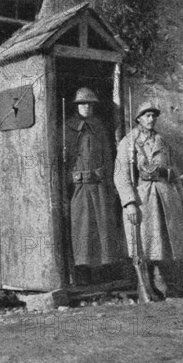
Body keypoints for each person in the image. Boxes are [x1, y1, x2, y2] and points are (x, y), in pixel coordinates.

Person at [114, 101, 183, 299]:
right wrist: (129, 203)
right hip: (142, 198)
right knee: (144, 242)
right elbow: (121, 176)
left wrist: (179, 195)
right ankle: (147, 284)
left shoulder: (162, 141)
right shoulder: (128, 143)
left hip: (164, 196)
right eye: (147, 115)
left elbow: (175, 169)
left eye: (154, 115)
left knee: (164, 241)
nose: (151, 119)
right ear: (138, 119)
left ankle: (161, 277)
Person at [63, 87, 123, 285]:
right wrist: (67, 183)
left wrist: (107, 181)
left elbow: (108, 156)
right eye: (82, 104)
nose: (86, 107)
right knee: (81, 231)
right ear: (76, 106)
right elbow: (60, 161)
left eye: (89, 103)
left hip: (98, 187)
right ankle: (82, 273)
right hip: (78, 189)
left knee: (102, 229)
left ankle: (102, 272)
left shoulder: (99, 128)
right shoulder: (66, 129)